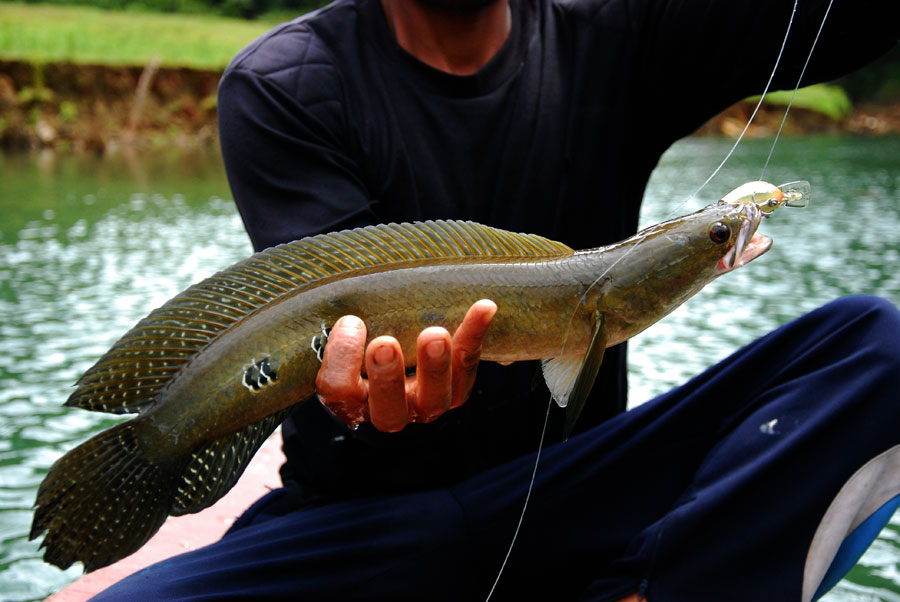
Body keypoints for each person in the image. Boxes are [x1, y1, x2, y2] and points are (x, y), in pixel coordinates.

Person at [90, 0, 900, 599]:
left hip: (579, 489)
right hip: (362, 521)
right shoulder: (284, 84)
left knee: (878, 344)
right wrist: (362, 400)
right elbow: (326, 326)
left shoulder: (616, 34)